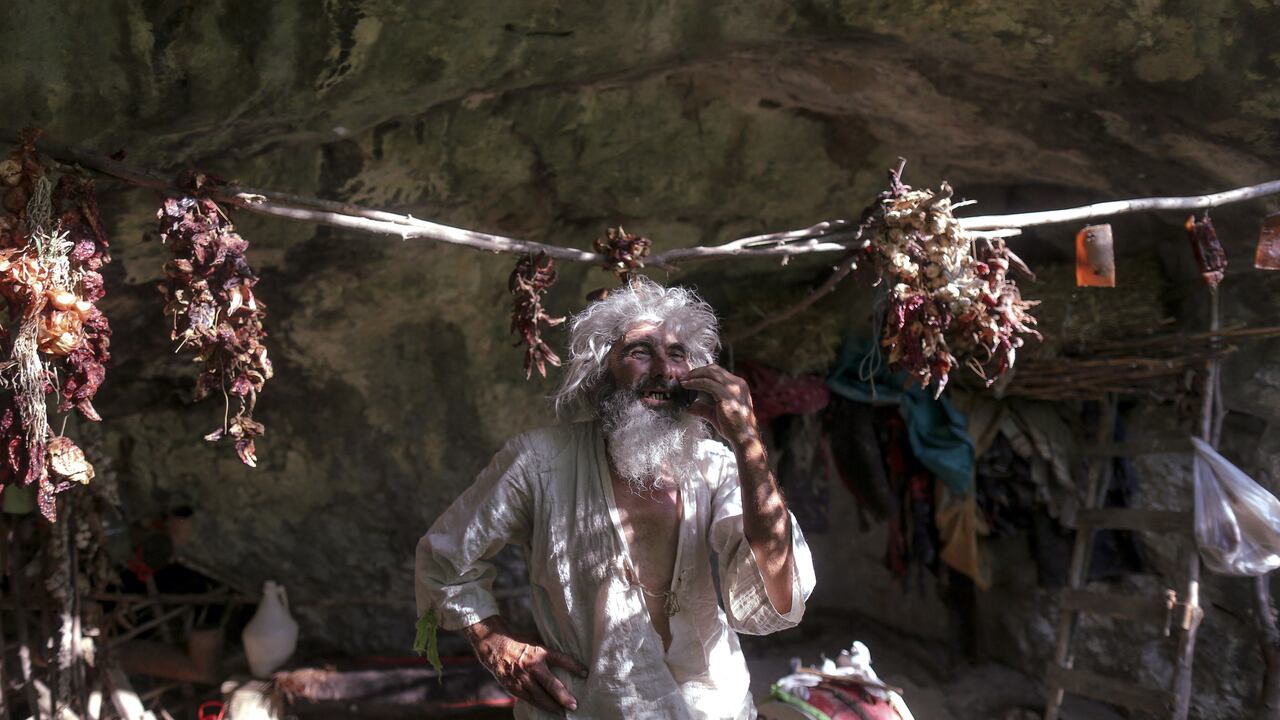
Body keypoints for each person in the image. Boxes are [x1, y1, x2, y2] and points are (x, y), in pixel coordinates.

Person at [416, 277, 815, 718]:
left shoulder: (714, 463)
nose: (664, 371)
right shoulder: (539, 461)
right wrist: (496, 645)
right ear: (600, 372)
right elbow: (446, 561)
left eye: (677, 354)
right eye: (640, 352)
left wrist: (748, 443)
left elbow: (777, 587)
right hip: (589, 707)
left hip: (715, 706)